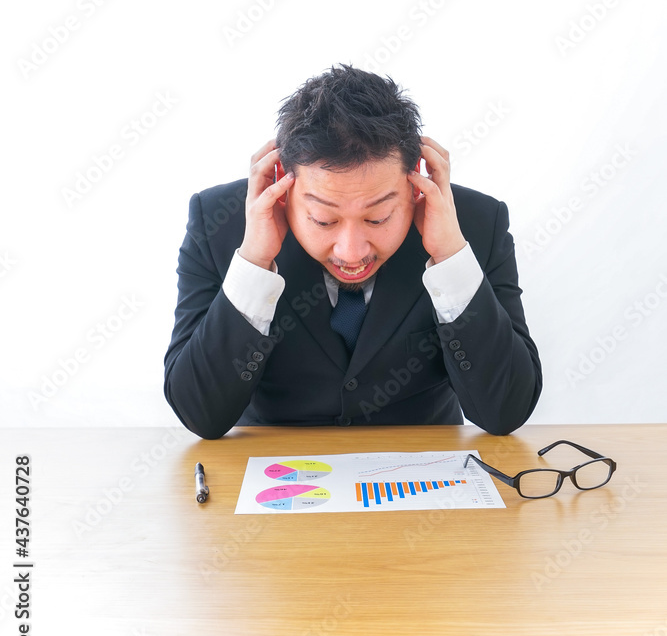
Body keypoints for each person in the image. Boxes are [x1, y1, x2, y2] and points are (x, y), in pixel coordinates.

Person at [163, 64, 542, 439]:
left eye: (378, 218)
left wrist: (450, 258)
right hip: (274, 466)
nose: (351, 252)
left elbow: (505, 412)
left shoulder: (475, 224)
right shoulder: (218, 223)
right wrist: (254, 263)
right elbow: (201, 415)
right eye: (323, 220)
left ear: (415, 183)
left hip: (421, 463)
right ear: (282, 184)